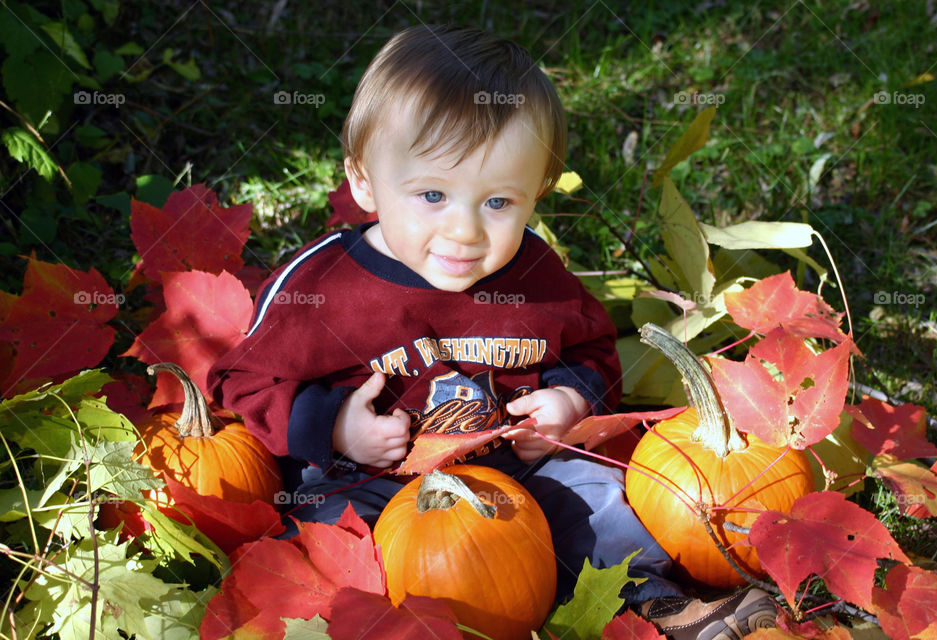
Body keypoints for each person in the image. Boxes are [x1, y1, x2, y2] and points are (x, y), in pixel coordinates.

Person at [208, 24, 776, 639]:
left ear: (537, 193)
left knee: (590, 493)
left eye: (498, 203)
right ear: (364, 181)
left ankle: (653, 600)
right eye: (432, 194)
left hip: (510, 467)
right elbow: (240, 380)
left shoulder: (535, 273)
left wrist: (570, 398)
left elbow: (587, 347)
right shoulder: (324, 287)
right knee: (329, 530)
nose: (465, 231)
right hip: (370, 476)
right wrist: (334, 426)